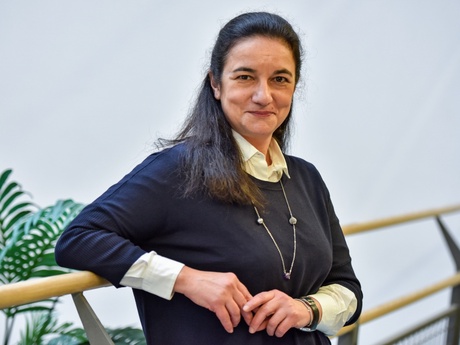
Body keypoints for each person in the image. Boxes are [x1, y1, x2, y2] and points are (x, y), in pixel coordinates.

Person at [55, 11, 362, 345]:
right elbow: (78, 239)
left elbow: (348, 288)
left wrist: (309, 309)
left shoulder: (307, 178)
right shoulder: (178, 171)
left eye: (280, 79)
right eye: (245, 77)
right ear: (216, 84)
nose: (264, 96)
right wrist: (187, 279)